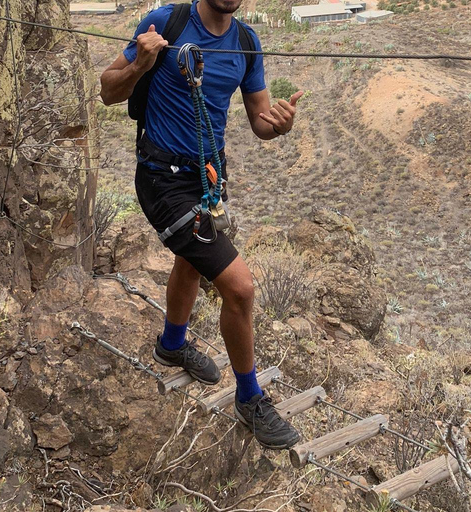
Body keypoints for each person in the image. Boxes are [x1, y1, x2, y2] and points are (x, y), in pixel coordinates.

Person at [99, 0, 303, 449]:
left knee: (191, 262)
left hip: (208, 177)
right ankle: (249, 399)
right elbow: (108, 90)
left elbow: (259, 122)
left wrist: (280, 126)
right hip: (161, 177)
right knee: (240, 288)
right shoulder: (164, 23)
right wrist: (141, 63)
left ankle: (172, 344)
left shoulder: (246, 42)